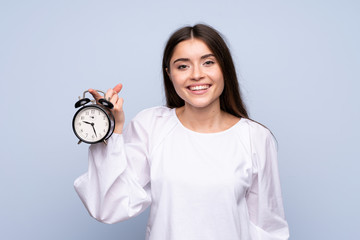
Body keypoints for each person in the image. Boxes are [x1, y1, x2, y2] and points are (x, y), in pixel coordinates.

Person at [74, 24, 290, 240]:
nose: (197, 75)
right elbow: (108, 207)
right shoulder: (151, 126)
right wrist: (110, 132)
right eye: (183, 66)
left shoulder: (255, 137)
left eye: (208, 62)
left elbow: (267, 228)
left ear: (224, 67)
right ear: (169, 74)